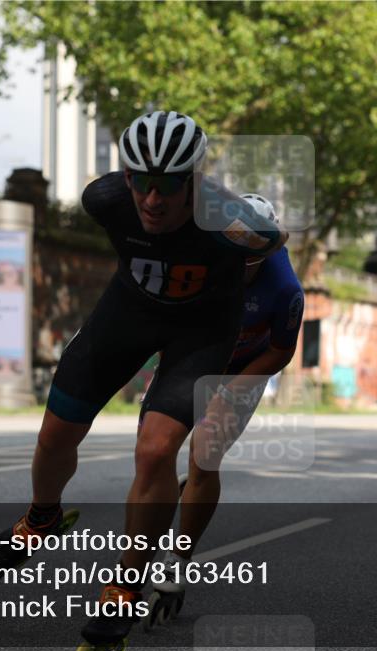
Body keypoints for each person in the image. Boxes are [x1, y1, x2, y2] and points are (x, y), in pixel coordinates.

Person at [0, 111, 288, 651]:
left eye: (169, 185)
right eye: (140, 181)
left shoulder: (232, 223)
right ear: (125, 177)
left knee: (155, 450)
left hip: (202, 330)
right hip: (128, 314)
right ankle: (43, 514)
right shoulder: (104, 199)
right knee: (54, 435)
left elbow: (274, 238)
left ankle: (124, 586)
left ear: (194, 181)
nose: (153, 199)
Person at [140, 194, 305, 627]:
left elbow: (281, 352)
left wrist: (231, 389)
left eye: (249, 258)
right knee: (153, 451)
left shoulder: (285, 289)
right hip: (195, 354)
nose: (238, 264)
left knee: (204, 452)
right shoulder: (199, 260)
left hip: (247, 366)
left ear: (267, 251)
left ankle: (177, 560)